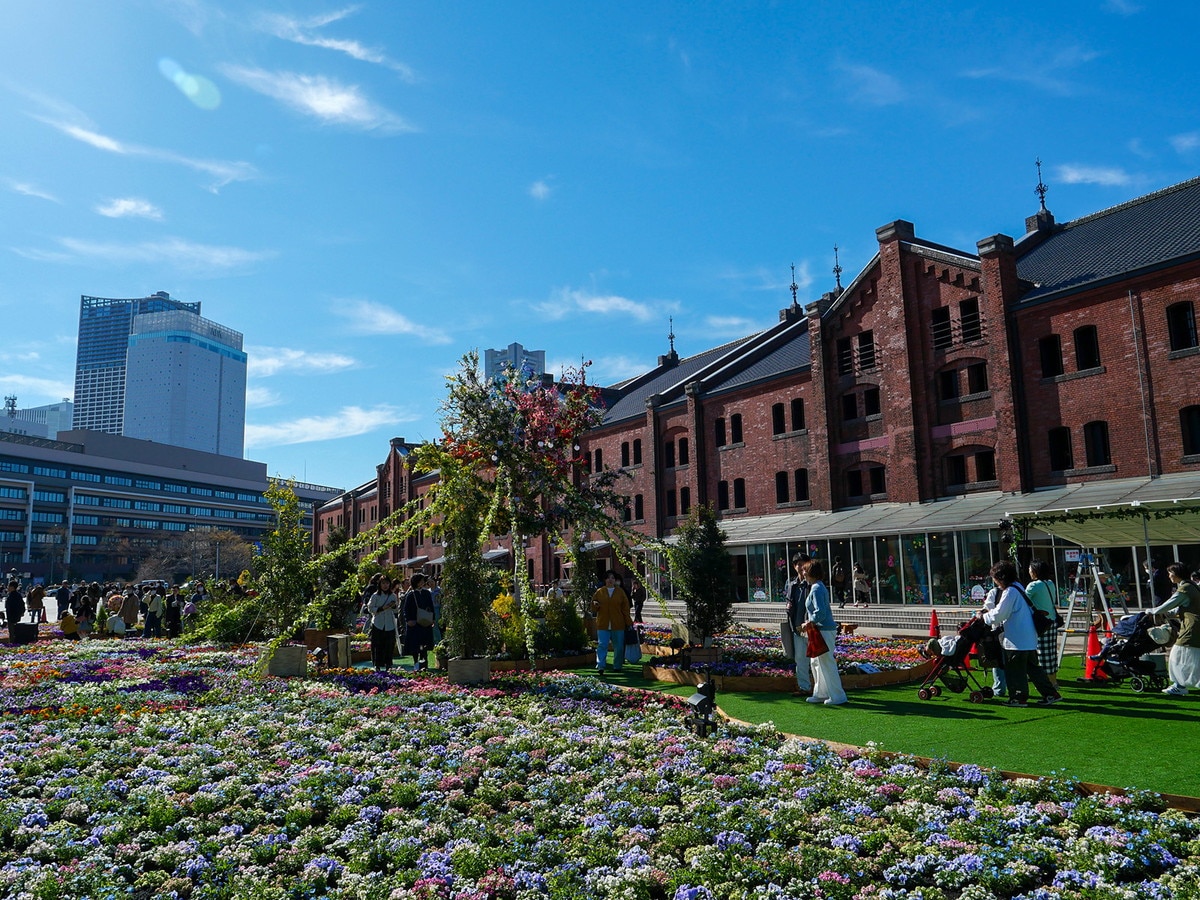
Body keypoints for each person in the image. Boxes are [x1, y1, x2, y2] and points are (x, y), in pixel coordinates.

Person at [980, 560, 1061, 707]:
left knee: (1015, 671)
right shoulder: (1018, 587)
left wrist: (983, 617)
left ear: (1000, 577)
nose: (995, 582)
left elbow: (999, 614)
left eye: (995, 578)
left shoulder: (1010, 591)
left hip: (1016, 640)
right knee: (1035, 669)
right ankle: (1051, 694)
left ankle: (1018, 698)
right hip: (1029, 637)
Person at [1150, 562, 1200, 697]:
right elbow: (1179, 608)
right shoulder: (1192, 586)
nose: (1169, 575)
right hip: (1194, 626)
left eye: (1170, 573)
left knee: (1176, 655)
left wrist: (1152, 611)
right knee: (1191, 657)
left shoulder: (1185, 588)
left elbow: (1168, 605)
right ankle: (1180, 685)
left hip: (1192, 627)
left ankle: (1179, 686)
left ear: (1177, 574)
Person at [803, 560, 847, 706]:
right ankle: (821, 693)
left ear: (810, 572)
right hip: (820, 630)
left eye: (805, 570)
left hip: (823, 630)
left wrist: (809, 623)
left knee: (826, 662)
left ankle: (837, 696)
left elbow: (820, 612)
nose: (803, 573)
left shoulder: (816, 588)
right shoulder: (817, 587)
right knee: (817, 662)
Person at [1025, 559, 1061, 684]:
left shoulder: (1034, 585)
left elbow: (1024, 600)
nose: (1029, 571)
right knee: (1051, 652)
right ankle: (1053, 680)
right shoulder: (1050, 583)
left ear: (1035, 571)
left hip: (1040, 624)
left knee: (1042, 654)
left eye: (1030, 569)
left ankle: (1047, 683)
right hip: (1052, 621)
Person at [591, 570, 632, 674]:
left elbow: (625, 609)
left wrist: (628, 622)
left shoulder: (620, 592)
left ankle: (617, 666)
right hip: (603, 623)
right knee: (602, 645)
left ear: (615, 580)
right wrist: (595, 604)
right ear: (605, 580)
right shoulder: (599, 592)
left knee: (618, 647)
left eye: (613, 578)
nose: (610, 580)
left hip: (618, 623)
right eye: (608, 578)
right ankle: (600, 665)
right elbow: (593, 605)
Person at [783, 553, 812, 695]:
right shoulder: (791, 584)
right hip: (797, 628)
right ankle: (804, 687)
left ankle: (822, 689)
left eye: (803, 564)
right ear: (794, 567)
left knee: (816, 661)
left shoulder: (813, 583)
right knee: (800, 659)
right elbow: (788, 603)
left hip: (812, 628)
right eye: (798, 564)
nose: (801, 567)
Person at [402, 573, 437, 671]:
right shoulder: (410, 595)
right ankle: (416, 662)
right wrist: (408, 620)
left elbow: (431, 605)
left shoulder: (426, 593)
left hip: (425, 622)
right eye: (420, 581)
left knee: (424, 643)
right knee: (415, 644)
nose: (422, 582)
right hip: (414, 623)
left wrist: (432, 618)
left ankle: (424, 661)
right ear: (416, 582)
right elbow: (406, 609)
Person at [368, 575, 400, 672]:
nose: (385, 585)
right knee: (377, 645)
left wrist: (393, 606)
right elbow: (370, 608)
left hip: (389, 624)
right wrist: (382, 608)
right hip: (378, 623)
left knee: (389, 645)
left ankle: (388, 664)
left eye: (387, 583)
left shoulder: (393, 596)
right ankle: (377, 665)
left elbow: (396, 609)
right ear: (380, 584)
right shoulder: (375, 596)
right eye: (383, 583)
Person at [980, 586, 1007, 698]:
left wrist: (982, 615)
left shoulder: (995, 592)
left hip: (999, 632)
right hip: (1014, 633)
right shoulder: (1017, 589)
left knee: (998, 661)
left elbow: (988, 608)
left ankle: (999, 688)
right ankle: (1015, 689)